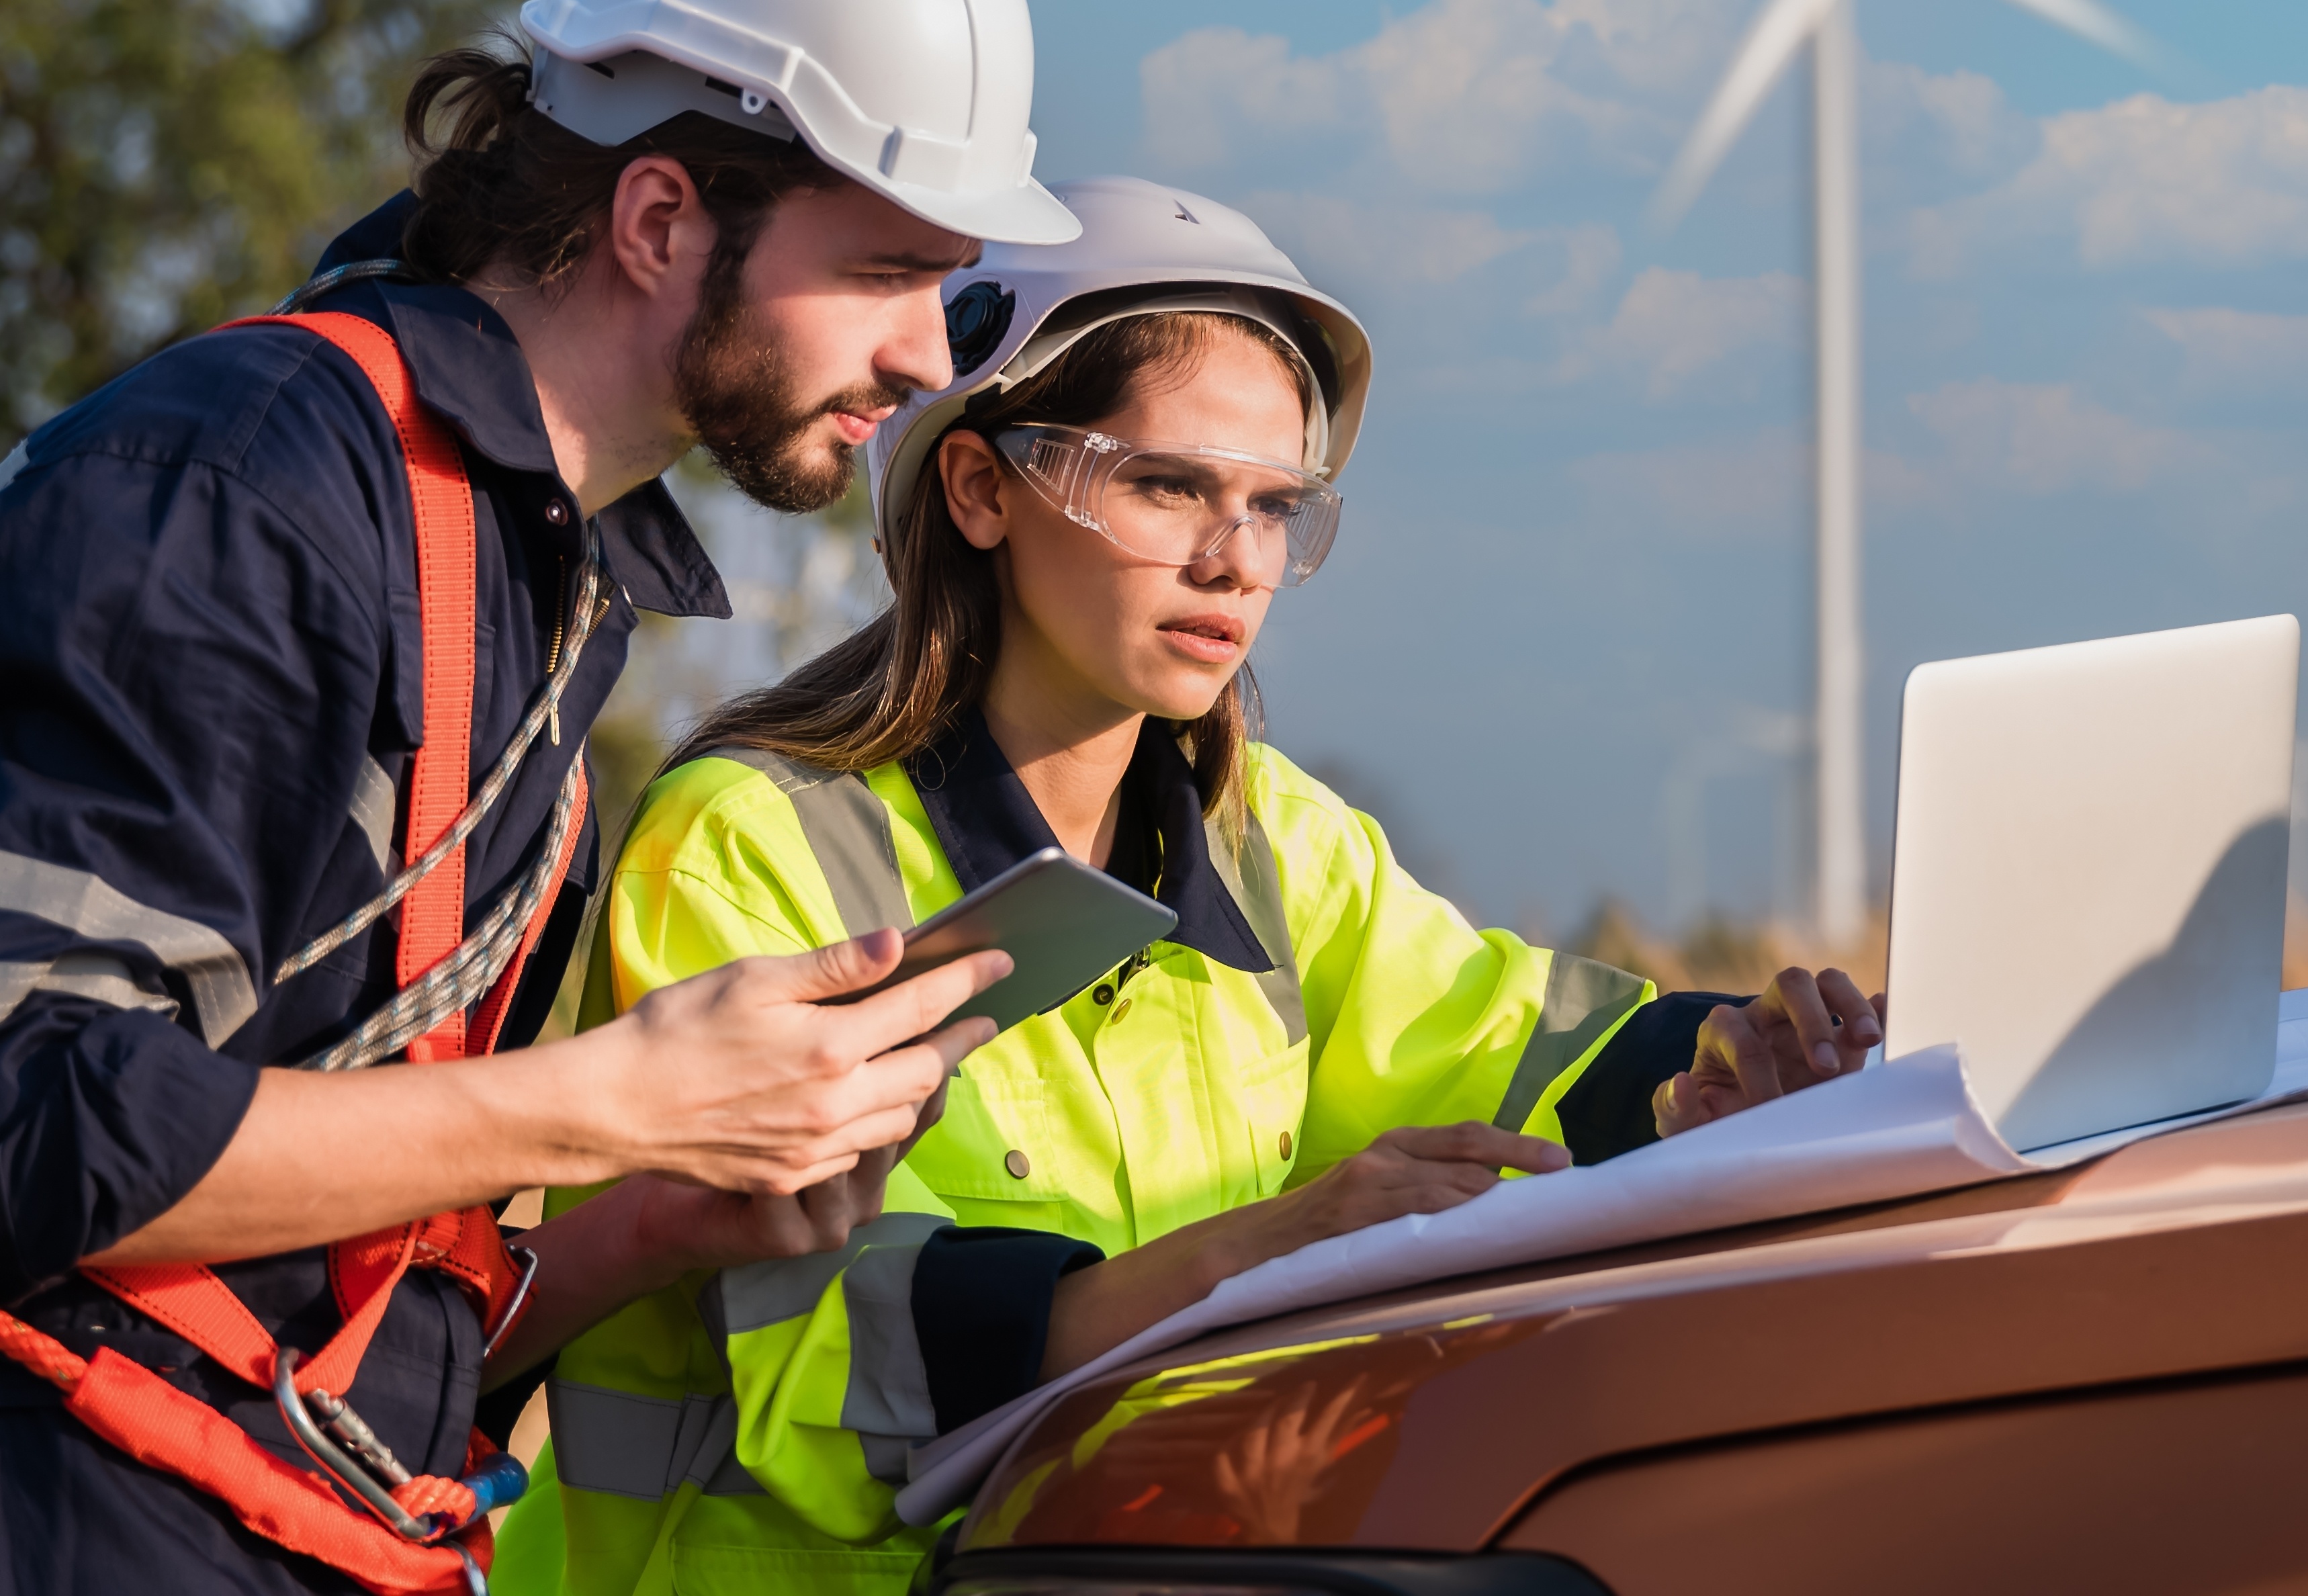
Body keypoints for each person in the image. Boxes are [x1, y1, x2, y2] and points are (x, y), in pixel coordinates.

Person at [0, 0, 1080, 1595]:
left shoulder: (540, 573)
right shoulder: (231, 484)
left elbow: (306, 1270)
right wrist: (615, 1104)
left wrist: (657, 1224)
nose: (927, 360)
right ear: (660, 216)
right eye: (888, 271)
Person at [500, 178, 1881, 1593]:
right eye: (1168, 484)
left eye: (1275, 504)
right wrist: (1270, 1242)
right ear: (980, 487)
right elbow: (831, 1381)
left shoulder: (1267, 836)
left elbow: (1501, 1043)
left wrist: (1723, 1080)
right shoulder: (746, 842)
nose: (1235, 558)